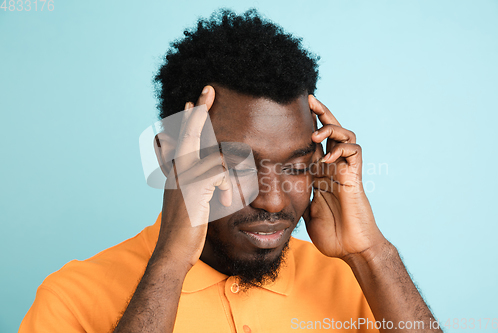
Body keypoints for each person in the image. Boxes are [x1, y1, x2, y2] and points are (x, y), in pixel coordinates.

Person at [20, 8, 442, 333]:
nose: (273, 200)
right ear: (169, 158)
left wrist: (371, 254)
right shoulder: (71, 297)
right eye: (234, 165)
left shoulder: (361, 285)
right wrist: (169, 266)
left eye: (296, 167)